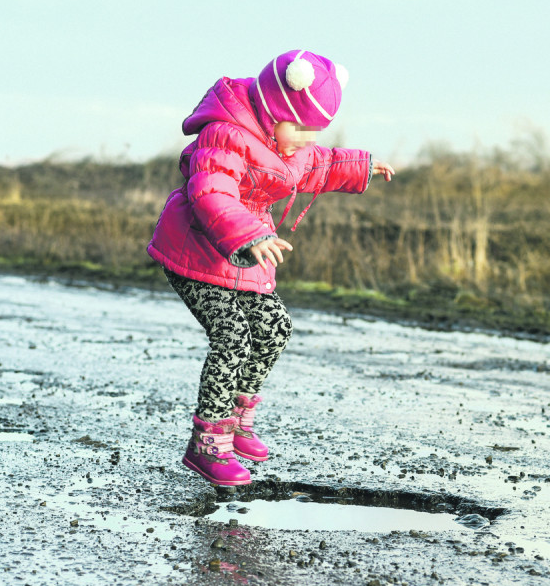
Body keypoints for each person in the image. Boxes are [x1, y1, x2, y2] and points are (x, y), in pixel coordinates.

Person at [147, 49, 395, 486]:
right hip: (196, 250)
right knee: (232, 335)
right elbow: (212, 193)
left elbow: (321, 166)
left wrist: (363, 166)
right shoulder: (225, 134)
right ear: (271, 107)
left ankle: (236, 420)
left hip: (246, 255)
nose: (305, 140)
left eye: (314, 132)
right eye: (299, 128)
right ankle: (207, 443)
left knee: (274, 327)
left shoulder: (290, 146)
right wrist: (250, 234)